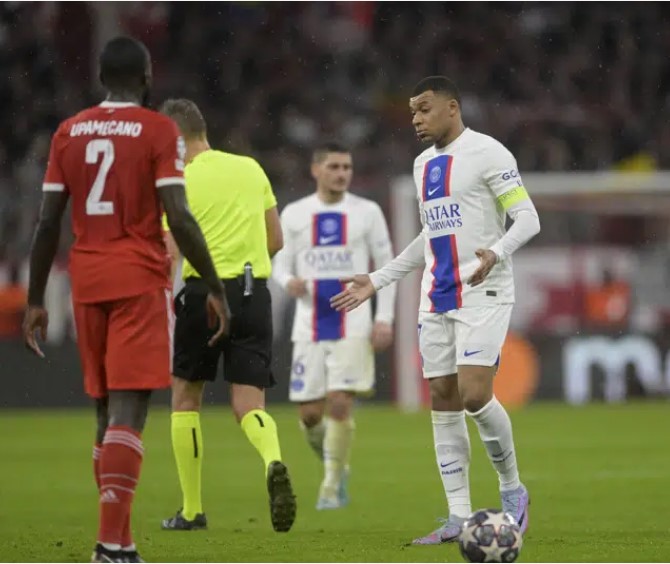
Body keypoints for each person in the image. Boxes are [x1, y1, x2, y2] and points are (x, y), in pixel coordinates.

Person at [22, 37, 229, 563]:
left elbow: (47, 222)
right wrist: (214, 284)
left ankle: (121, 540)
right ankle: (110, 547)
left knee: (103, 409)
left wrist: (36, 298)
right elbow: (178, 215)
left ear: (100, 77)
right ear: (147, 76)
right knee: (129, 408)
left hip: (86, 279)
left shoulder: (68, 131)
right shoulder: (158, 130)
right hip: (136, 278)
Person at [331, 76, 540, 543]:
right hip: (436, 295)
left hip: (483, 291)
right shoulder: (423, 164)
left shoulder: (488, 153)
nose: (416, 119)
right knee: (443, 399)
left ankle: (512, 489)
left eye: (424, 109)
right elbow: (431, 235)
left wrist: (496, 253)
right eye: (412, 112)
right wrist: (378, 278)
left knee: (473, 394)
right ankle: (458, 516)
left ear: (452, 107)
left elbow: (528, 218)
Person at [158, 99, 296, 533]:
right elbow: (276, 239)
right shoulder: (250, 168)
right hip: (254, 292)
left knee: (186, 398)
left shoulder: (175, 180)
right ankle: (272, 460)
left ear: (175, 139)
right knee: (248, 404)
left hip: (203, 293)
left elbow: (169, 250)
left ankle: (192, 510)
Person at [273, 142, 396, 509]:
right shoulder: (295, 213)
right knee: (310, 415)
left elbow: (386, 266)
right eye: (334, 167)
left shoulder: (367, 212)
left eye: (347, 167)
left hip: (353, 320)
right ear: (316, 170)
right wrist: (288, 282)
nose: (342, 174)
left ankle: (330, 486)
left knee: (340, 403)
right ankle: (338, 465)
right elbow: (280, 263)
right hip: (309, 321)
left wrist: (384, 317)